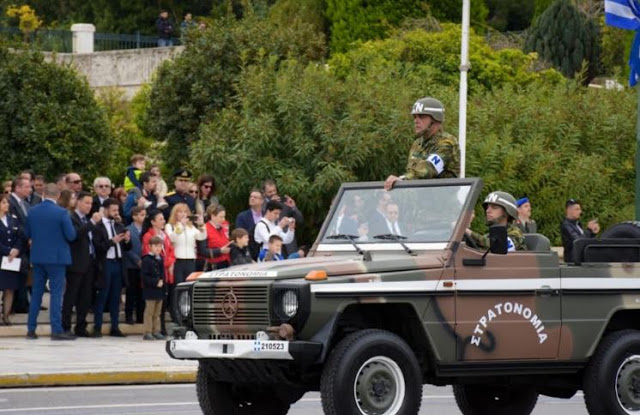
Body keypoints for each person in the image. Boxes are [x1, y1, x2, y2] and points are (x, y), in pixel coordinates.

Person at [25, 183, 77, 340]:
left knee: (36, 293)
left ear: (43, 194)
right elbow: (71, 235)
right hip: (57, 258)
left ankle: (31, 329)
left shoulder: (32, 211)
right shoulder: (62, 213)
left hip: (38, 256)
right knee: (56, 294)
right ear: (58, 195)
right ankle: (56, 329)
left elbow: (27, 233)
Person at [384, 97, 460, 191]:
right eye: (415, 117)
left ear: (435, 118)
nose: (416, 120)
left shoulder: (447, 143)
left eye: (421, 116)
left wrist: (403, 179)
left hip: (442, 203)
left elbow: (428, 169)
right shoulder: (417, 144)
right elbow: (412, 174)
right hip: (419, 203)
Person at [63, 191, 100, 337]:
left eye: (91, 203)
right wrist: (92, 223)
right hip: (76, 263)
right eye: (86, 203)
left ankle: (81, 325)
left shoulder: (87, 219)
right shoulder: (72, 218)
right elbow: (75, 235)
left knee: (85, 297)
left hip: (89, 262)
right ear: (78, 202)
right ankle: (65, 326)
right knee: (71, 296)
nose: (89, 206)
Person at [92, 198, 131, 338]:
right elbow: (98, 248)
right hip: (106, 263)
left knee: (116, 297)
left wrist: (127, 240)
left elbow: (127, 248)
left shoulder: (119, 225)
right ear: (106, 209)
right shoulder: (98, 227)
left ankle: (115, 326)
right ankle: (97, 326)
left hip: (118, 263)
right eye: (113, 210)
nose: (116, 213)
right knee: (103, 295)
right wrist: (111, 242)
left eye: (117, 210)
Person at [165, 203, 206, 321]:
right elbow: (172, 238)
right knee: (177, 289)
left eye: (185, 212)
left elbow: (201, 237)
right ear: (175, 214)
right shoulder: (170, 226)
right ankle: (175, 315)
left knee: (189, 289)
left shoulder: (191, 227)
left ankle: (187, 314)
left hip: (190, 260)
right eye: (180, 212)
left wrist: (202, 224)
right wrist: (181, 226)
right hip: (178, 260)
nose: (183, 214)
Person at [141, 209, 175, 335]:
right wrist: (167, 263)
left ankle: (158, 329)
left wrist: (171, 261)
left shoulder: (164, 234)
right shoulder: (148, 236)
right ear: (153, 222)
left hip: (165, 273)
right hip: (154, 277)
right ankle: (149, 331)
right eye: (160, 219)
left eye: (163, 219)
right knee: (151, 309)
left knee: (160, 306)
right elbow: (148, 253)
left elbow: (171, 249)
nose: (163, 221)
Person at [0, 194, 27, 326]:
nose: (7, 205)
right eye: (4, 202)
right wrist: (7, 251)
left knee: (9, 288)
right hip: (2, 257)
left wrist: (16, 249)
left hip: (11, 260)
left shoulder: (13, 219)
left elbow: (20, 236)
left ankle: (6, 315)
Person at [262, 180, 303, 257]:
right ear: (264, 193)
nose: (273, 193)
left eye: (274, 190)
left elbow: (300, 220)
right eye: (270, 192)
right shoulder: (262, 205)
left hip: (288, 244)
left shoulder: (284, 203)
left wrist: (294, 207)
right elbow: (262, 218)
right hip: (272, 244)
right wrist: (270, 204)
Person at [141, 236, 165, 340]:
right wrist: (156, 282)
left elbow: (162, 273)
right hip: (150, 290)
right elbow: (145, 276)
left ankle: (156, 330)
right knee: (149, 312)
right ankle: (147, 332)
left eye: (160, 246)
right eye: (155, 246)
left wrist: (163, 283)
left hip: (159, 290)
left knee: (157, 312)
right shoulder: (146, 260)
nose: (158, 248)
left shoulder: (160, 259)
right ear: (149, 246)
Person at [125, 206, 146, 325]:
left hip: (144, 264)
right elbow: (127, 249)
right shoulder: (128, 229)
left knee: (141, 292)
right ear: (134, 216)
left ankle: (140, 316)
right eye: (141, 215)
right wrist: (137, 260)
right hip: (131, 265)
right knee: (131, 291)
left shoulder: (146, 229)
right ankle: (129, 316)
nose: (144, 217)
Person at [235, 189, 264, 259]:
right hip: (250, 253)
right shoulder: (242, 216)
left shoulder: (266, 214)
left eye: (255, 197)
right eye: (251, 197)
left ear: (262, 201)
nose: (252, 198)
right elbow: (240, 235)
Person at [203, 204, 231, 270]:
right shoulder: (205, 229)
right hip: (213, 265)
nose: (223, 219)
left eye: (224, 217)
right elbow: (203, 251)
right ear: (213, 216)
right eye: (221, 217)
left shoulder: (222, 228)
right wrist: (220, 251)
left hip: (225, 262)